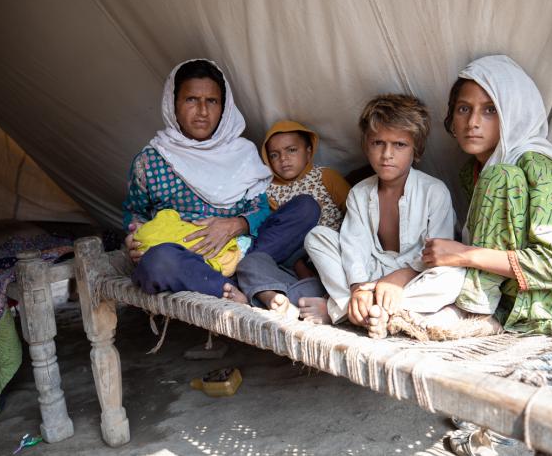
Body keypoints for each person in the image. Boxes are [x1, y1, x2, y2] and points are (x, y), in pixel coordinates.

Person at [422, 54, 552, 335]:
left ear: (513, 114)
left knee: (501, 177)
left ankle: (475, 312)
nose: (472, 122)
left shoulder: (533, 164)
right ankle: (477, 305)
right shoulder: (472, 171)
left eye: (490, 110)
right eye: (464, 109)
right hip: (518, 290)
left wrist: (465, 255)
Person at [304, 94, 467, 338]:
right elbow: (353, 246)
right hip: (369, 274)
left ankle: (344, 309)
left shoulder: (434, 192)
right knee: (317, 237)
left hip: (414, 276)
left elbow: (439, 251)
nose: (387, 154)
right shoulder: (359, 193)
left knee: (454, 276)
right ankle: (365, 307)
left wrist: (399, 279)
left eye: (399, 145)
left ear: (417, 149)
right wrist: (359, 287)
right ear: (366, 146)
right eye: (378, 143)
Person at [122, 59, 273, 297]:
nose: (202, 111)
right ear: (173, 104)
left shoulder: (243, 153)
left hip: (239, 255)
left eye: (211, 101)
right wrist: (133, 236)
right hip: (182, 262)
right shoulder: (151, 161)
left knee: (303, 209)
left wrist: (235, 225)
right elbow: (135, 212)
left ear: (224, 107)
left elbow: (262, 209)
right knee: (158, 261)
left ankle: (240, 280)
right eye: (191, 99)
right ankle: (234, 290)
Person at [223, 120, 351, 323]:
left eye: (292, 150)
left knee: (307, 207)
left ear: (309, 152)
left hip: (328, 258)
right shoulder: (265, 189)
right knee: (251, 262)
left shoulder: (326, 176)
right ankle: (282, 300)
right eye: (274, 155)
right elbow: (275, 237)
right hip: (289, 263)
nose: (284, 159)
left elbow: (355, 213)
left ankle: (262, 298)